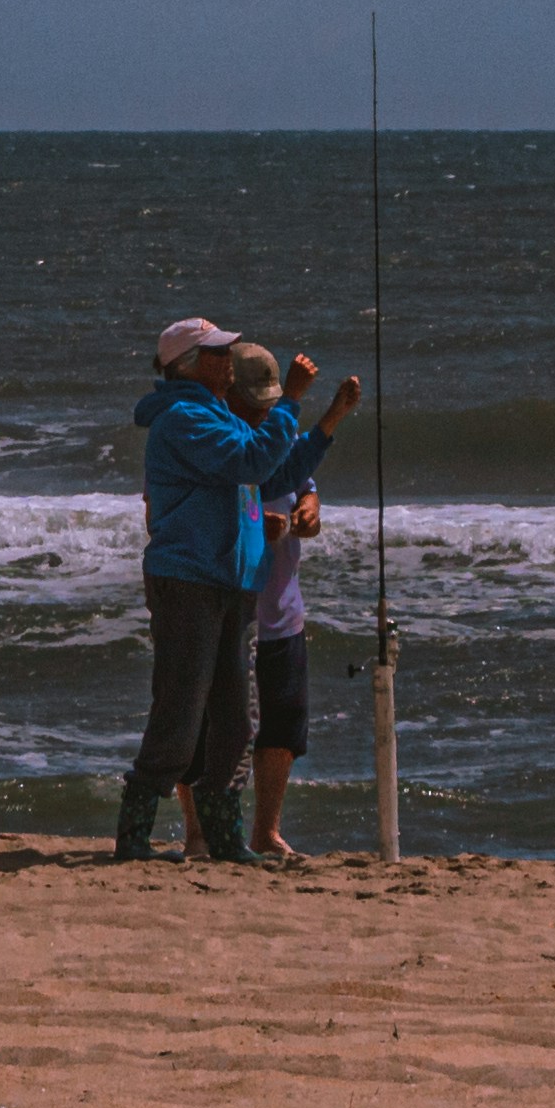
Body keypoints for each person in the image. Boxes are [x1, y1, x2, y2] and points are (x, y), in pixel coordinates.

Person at [125, 320, 354, 862]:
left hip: (231, 583)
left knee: (236, 720)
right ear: (189, 363)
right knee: (180, 717)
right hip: (190, 582)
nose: (229, 356)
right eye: (217, 351)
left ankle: (226, 835)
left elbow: (274, 468)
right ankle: (134, 835)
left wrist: (323, 424)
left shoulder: (217, 412)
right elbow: (249, 460)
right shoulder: (184, 420)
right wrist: (291, 400)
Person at [245, 479, 323, 859]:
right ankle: (198, 834)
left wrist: (310, 508)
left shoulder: (284, 434)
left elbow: (307, 487)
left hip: (282, 610)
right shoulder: (211, 425)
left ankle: (266, 832)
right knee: (207, 726)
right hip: (228, 610)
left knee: (284, 723)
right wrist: (252, 525)